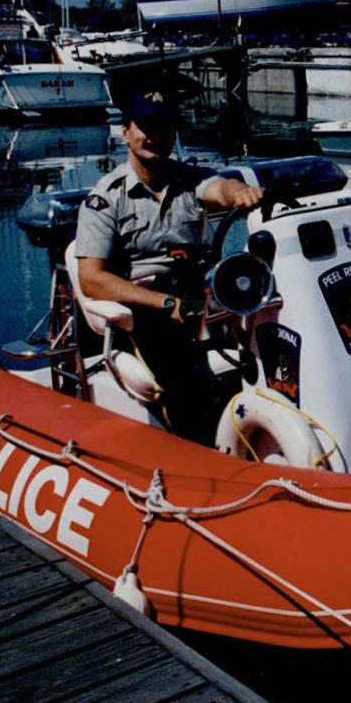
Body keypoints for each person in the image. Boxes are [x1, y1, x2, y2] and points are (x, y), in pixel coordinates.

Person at [73, 89, 264, 440]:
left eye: (163, 128)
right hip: (146, 304)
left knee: (271, 314)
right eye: (145, 126)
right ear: (126, 132)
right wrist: (164, 304)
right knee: (185, 375)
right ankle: (204, 452)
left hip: (198, 291)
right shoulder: (105, 198)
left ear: (174, 135)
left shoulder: (190, 180)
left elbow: (219, 187)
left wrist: (238, 192)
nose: (154, 136)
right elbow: (91, 279)